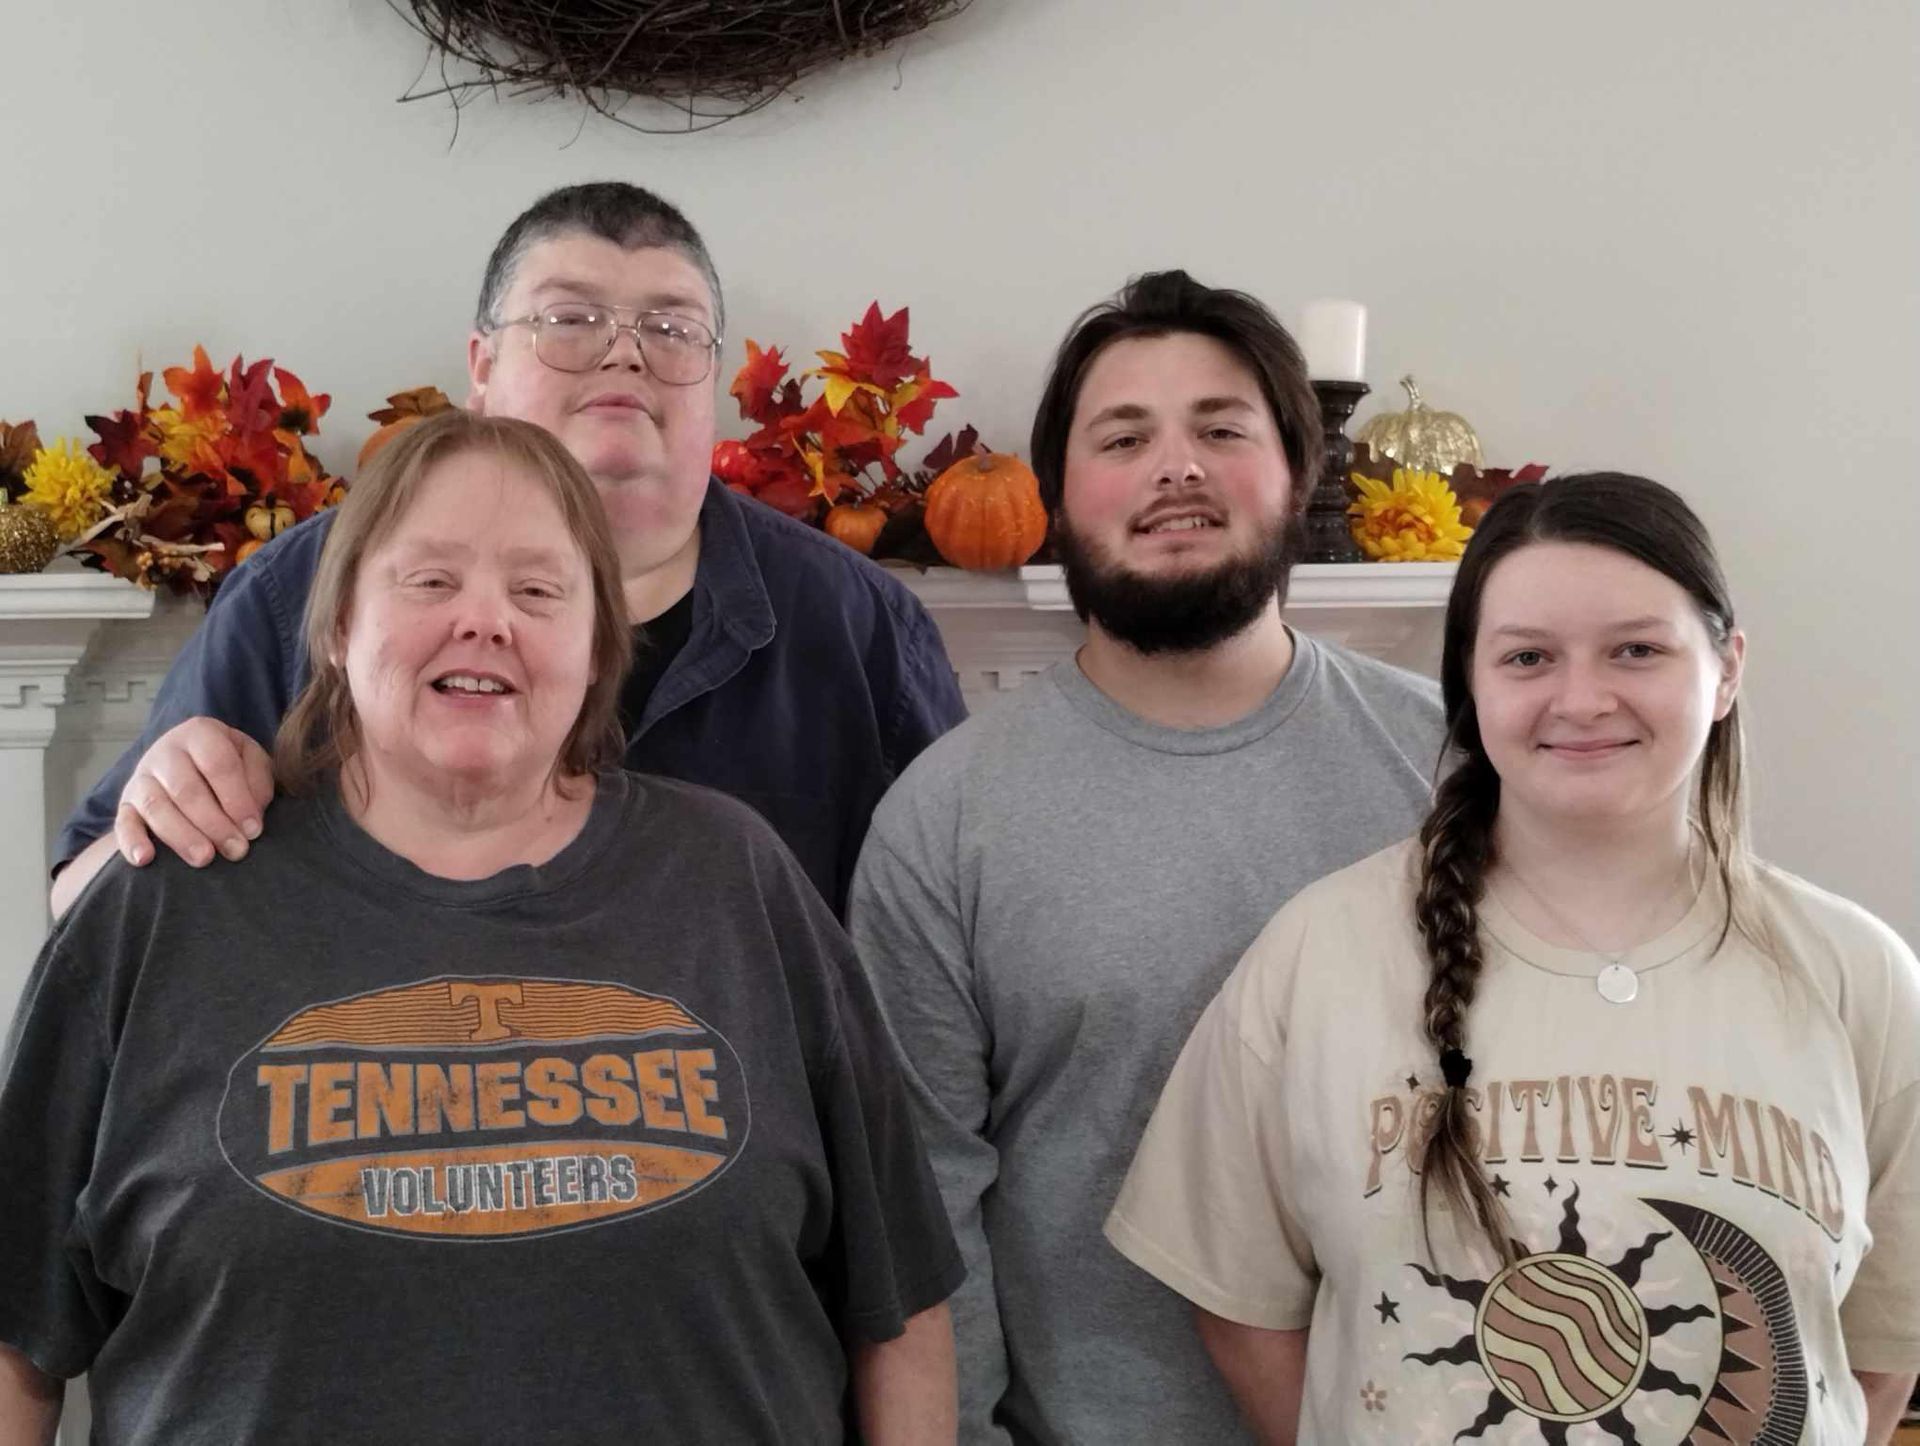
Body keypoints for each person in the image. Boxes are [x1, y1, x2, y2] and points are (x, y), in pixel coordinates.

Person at [0, 411, 963, 1444]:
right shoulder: (161, 902)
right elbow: (18, 1333)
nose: (486, 620)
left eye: (540, 590)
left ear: (597, 651)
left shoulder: (742, 884)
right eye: (429, 580)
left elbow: (897, 1305)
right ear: (334, 626)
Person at [1107, 474, 1920, 1444]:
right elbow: (1243, 1311)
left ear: (1728, 668)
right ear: (1473, 684)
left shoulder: (1859, 976)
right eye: (1529, 656)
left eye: (1636, 649)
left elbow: (1875, 1348)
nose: (1582, 698)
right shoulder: (1317, 956)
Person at [847, 271, 1445, 1442]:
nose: (1178, 466)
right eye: (1124, 437)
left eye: (1222, 428)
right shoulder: (945, 818)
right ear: (1059, 501)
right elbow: (922, 1214)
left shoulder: (1450, 766)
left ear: (1299, 472)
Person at [50, 181, 965, 921]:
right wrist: (167, 805)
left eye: (673, 330)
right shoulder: (301, 590)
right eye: (571, 321)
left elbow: (958, 948)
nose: (626, 357)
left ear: (715, 383)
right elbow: (78, 911)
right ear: (481, 367)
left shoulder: (860, 627)